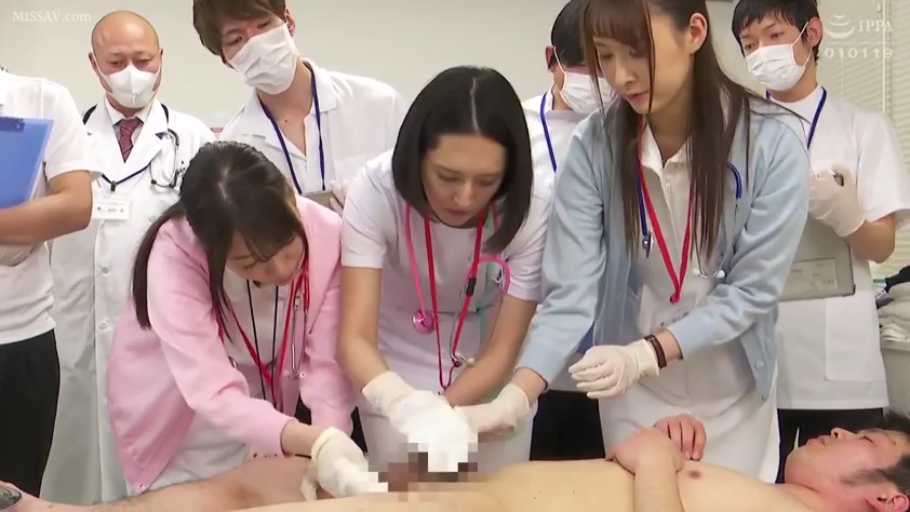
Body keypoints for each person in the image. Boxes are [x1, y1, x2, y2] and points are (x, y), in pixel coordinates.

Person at [457, 0, 813, 484]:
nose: (621, 76)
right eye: (605, 56)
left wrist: (648, 354)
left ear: (694, 32)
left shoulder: (771, 143)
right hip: (633, 388)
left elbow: (753, 291)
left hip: (731, 385)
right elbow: (570, 294)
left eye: (637, 52)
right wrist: (517, 396)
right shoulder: (596, 145)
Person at [100, 140, 378, 497]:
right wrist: (310, 440)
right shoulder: (176, 255)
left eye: (287, 244)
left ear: (289, 193)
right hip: (178, 417)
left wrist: (330, 443)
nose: (281, 269)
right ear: (211, 248)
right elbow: (210, 390)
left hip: (262, 411)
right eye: (250, 264)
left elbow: (327, 365)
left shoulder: (327, 233)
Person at [14, 411, 910, 512]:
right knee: (266, 480)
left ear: (888, 501)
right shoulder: (771, 489)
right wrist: (663, 452)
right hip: (476, 492)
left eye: (865, 442)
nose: (838, 433)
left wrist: (650, 462)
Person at [41, 11, 217, 505]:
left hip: (160, 328)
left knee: (159, 469)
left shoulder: (194, 139)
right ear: (94, 64)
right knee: (77, 461)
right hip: (76, 326)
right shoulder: (66, 138)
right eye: (117, 62)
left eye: (143, 59)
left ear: (162, 59)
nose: (132, 73)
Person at [732, 0, 910, 484]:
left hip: (840, 363)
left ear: (812, 33)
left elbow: (881, 248)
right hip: (756, 356)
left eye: (773, 36)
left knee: (844, 492)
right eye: (749, 44)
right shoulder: (732, 131)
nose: (761, 52)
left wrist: (845, 214)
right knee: (756, 492)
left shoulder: (862, 126)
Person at [338, 65, 549, 473]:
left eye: (486, 181)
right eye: (447, 176)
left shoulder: (531, 205)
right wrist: (404, 404)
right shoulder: (377, 192)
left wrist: (445, 413)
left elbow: (503, 348)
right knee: (407, 493)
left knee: (495, 495)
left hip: (487, 374)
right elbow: (354, 338)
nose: (464, 197)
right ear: (416, 155)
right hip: (392, 371)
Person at [193, 0, 408, 209]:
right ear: (226, 60)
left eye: (264, 24)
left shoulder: (380, 107)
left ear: (288, 21)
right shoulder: (234, 149)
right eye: (236, 39)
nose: (257, 44)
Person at [0, 69, 96, 495]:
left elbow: (75, 206)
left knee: (17, 495)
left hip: (21, 336)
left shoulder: (42, 98)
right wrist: (17, 224)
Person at [522, 0, 609, 462]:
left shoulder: (630, 129)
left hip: (611, 356)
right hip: (530, 347)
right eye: (579, 67)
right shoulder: (513, 131)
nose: (594, 81)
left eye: (604, 66)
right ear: (550, 59)